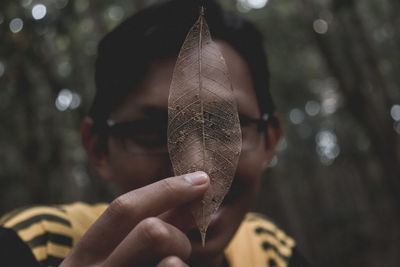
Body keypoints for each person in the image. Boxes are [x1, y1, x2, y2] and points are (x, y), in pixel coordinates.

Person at [0, 0, 310, 266]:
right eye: (151, 131)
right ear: (98, 149)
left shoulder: (269, 251)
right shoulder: (34, 243)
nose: (197, 166)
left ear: (269, 140)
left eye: (225, 125)